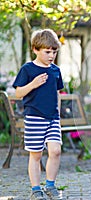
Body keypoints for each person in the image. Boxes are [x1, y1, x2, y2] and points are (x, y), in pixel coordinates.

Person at [13, 29, 64, 200]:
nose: (51, 55)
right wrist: (33, 84)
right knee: (36, 154)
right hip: (34, 117)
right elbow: (18, 93)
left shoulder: (56, 70)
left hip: (52, 118)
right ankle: (36, 189)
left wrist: (57, 113)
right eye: (47, 51)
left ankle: (50, 185)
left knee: (55, 151)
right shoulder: (27, 69)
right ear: (35, 49)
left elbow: (57, 93)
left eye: (54, 51)